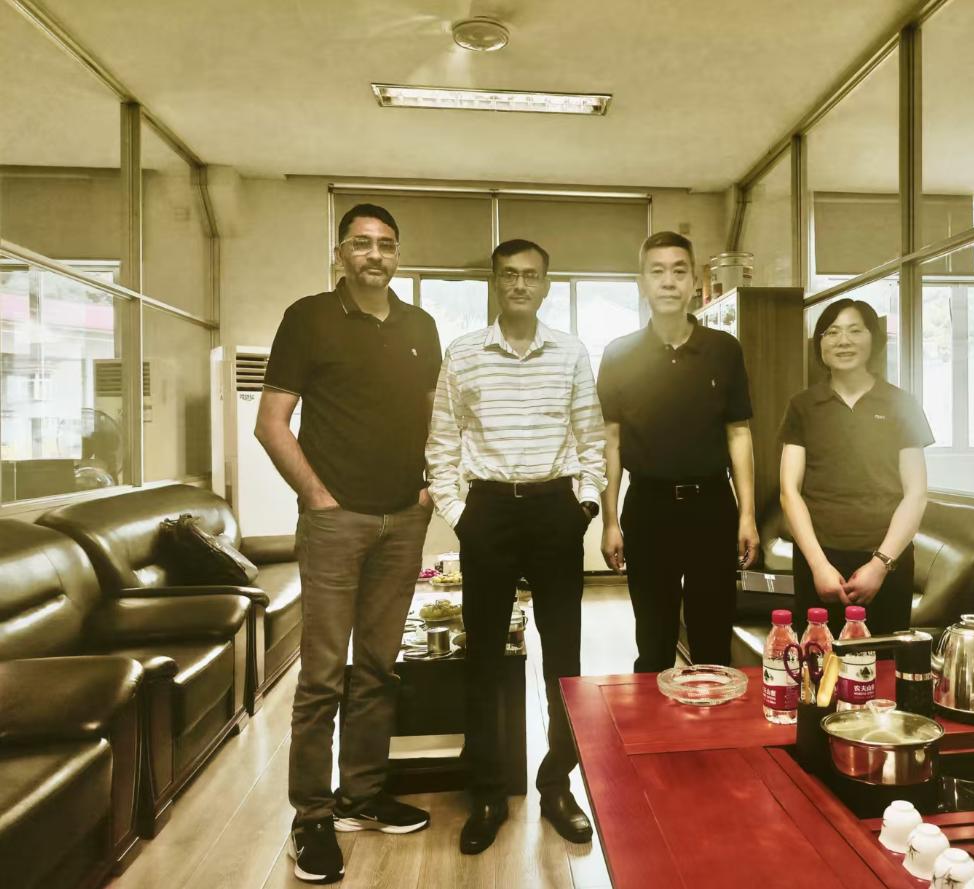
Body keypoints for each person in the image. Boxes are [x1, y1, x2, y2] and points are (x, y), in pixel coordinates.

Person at [256, 203, 440, 885]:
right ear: (340, 254)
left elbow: (433, 414)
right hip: (335, 523)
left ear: (398, 255)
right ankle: (311, 815)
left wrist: (429, 486)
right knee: (323, 676)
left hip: (404, 519)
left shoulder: (420, 326)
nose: (374, 254)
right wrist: (316, 496)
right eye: (361, 243)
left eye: (386, 244)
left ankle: (360, 796)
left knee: (379, 669)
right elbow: (271, 422)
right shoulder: (308, 318)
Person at [425, 238, 605, 855]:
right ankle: (487, 791)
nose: (520, 285)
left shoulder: (572, 352)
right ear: (495, 283)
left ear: (545, 285)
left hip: (555, 510)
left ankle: (557, 785)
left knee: (564, 659)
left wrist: (585, 507)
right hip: (489, 513)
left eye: (531, 275)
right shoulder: (464, 353)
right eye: (509, 275)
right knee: (482, 657)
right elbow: (441, 442)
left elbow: (590, 437)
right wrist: (459, 515)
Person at [597, 231, 759, 673]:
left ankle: (712, 719)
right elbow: (610, 442)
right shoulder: (619, 354)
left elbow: (739, 434)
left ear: (692, 283)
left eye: (679, 271)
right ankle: (653, 720)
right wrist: (610, 521)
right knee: (653, 643)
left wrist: (746, 515)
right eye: (657, 272)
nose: (668, 281)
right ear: (642, 283)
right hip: (648, 509)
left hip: (712, 507)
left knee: (712, 642)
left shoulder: (724, 350)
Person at [778, 298, 932, 639]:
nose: (843, 341)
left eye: (854, 331)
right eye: (832, 332)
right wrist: (818, 565)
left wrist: (880, 565)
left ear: (873, 339)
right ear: (819, 344)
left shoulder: (901, 403)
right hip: (819, 558)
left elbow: (916, 493)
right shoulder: (803, 406)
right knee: (819, 661)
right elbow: (789, 491)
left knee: (885, 662)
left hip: (887, 558)